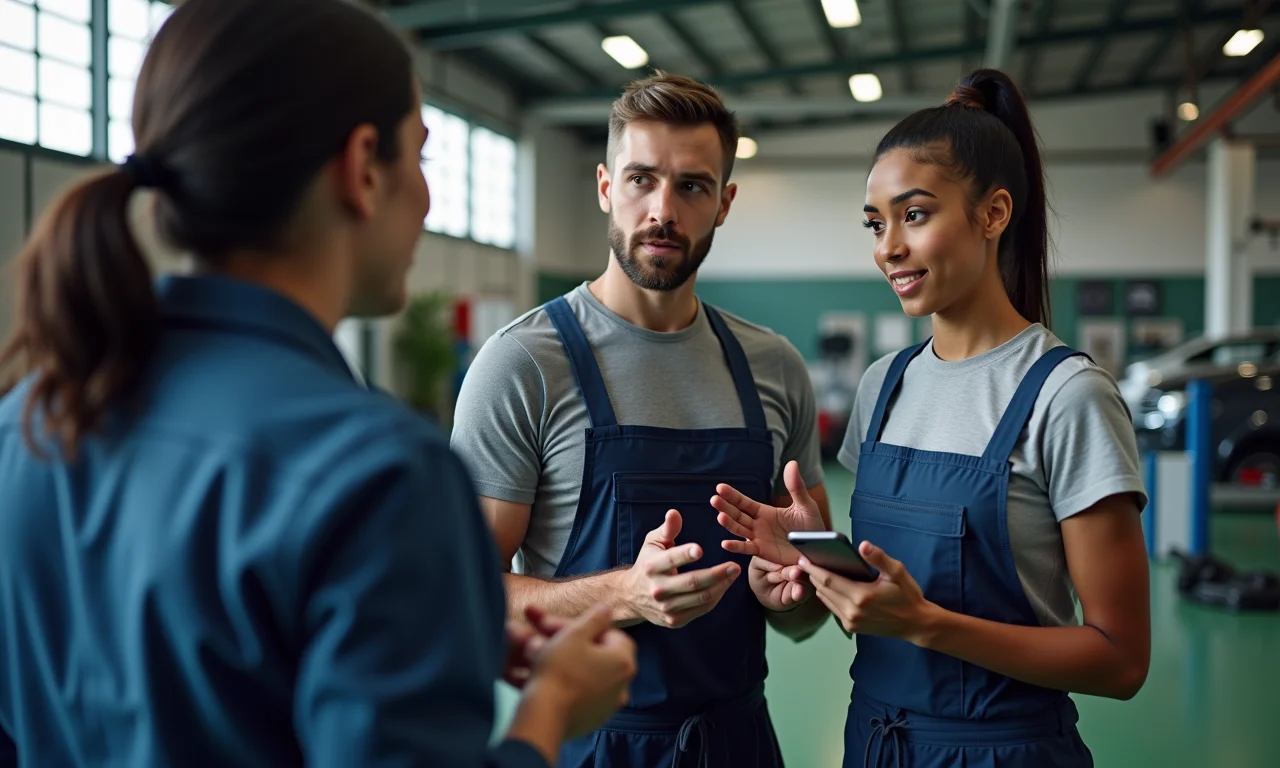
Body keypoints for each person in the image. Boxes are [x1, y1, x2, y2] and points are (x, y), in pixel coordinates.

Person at [0, 1, 637, 766]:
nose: (429, 200)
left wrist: (421, 632)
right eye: (422, 156)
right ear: (363, 167)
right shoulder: (378, 473)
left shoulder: (29, 425)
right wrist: (551, 709)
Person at [712, 69, 1151, 767]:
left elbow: (1121, 661)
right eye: (875, 223)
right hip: (876, 744)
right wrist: (813, 557)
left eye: (914, 215)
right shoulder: (885, 385)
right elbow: (890, 591)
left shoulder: (1067, 396)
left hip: (1003, 752)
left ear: (993, 214)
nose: (888, 247)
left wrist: (931, 627)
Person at [450, 71, 831, 767]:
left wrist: (794, 589)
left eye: (692, 186)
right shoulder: (523, 365)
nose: (663, 210)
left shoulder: (775, 368)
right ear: (604, 187)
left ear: (724, 203)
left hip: (740, 745)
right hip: (591, 747)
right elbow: (463, 593)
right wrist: (622, 593)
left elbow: (808, 617)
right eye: (640, 180)